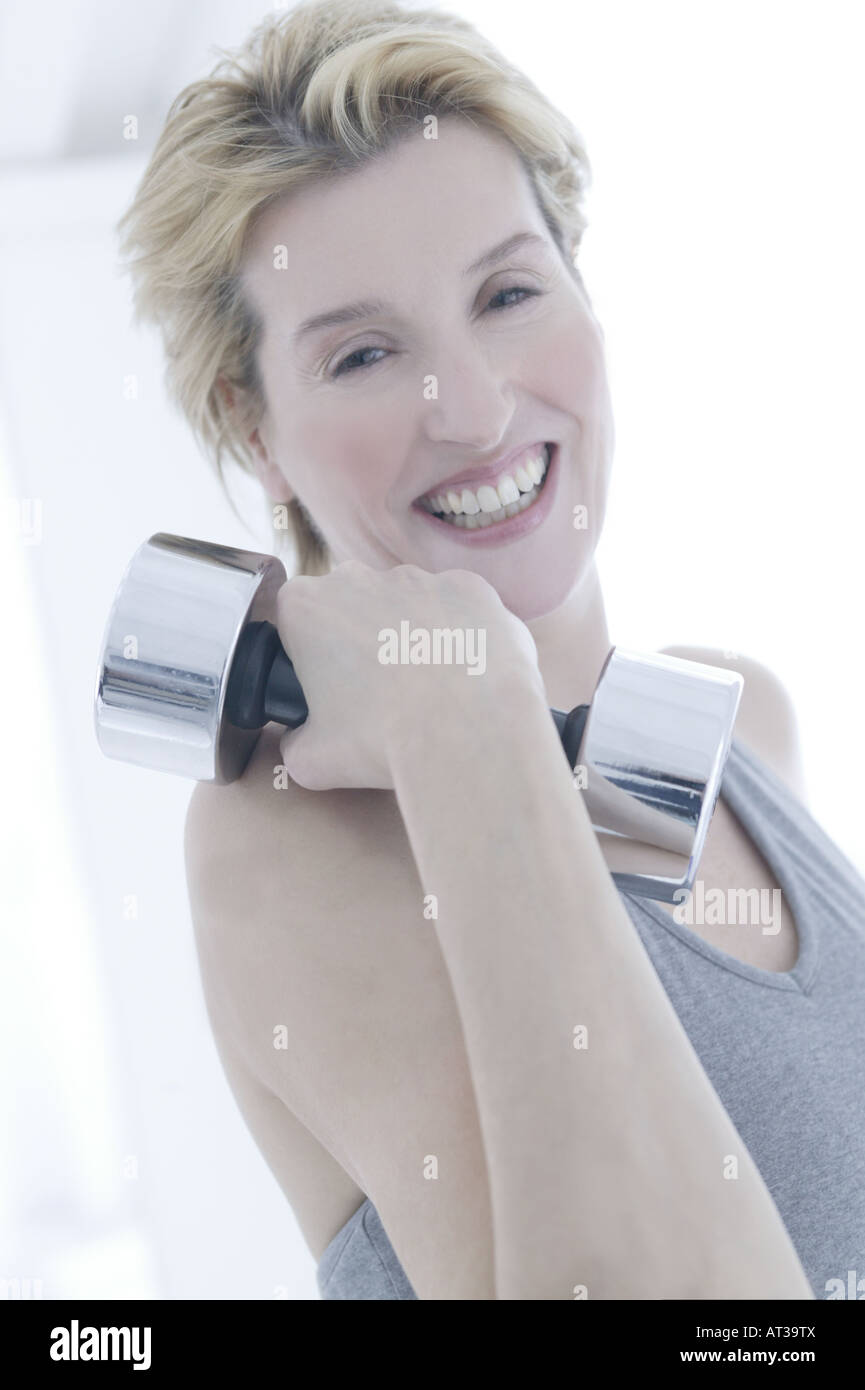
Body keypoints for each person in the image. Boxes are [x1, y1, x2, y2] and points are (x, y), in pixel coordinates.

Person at [117, 0, 865, 1300]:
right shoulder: (289, 844)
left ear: (579, 280)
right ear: (254, 424)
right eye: (361, 351)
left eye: (508, 292)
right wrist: (458, 713)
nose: (468, 406)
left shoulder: (742, 717)